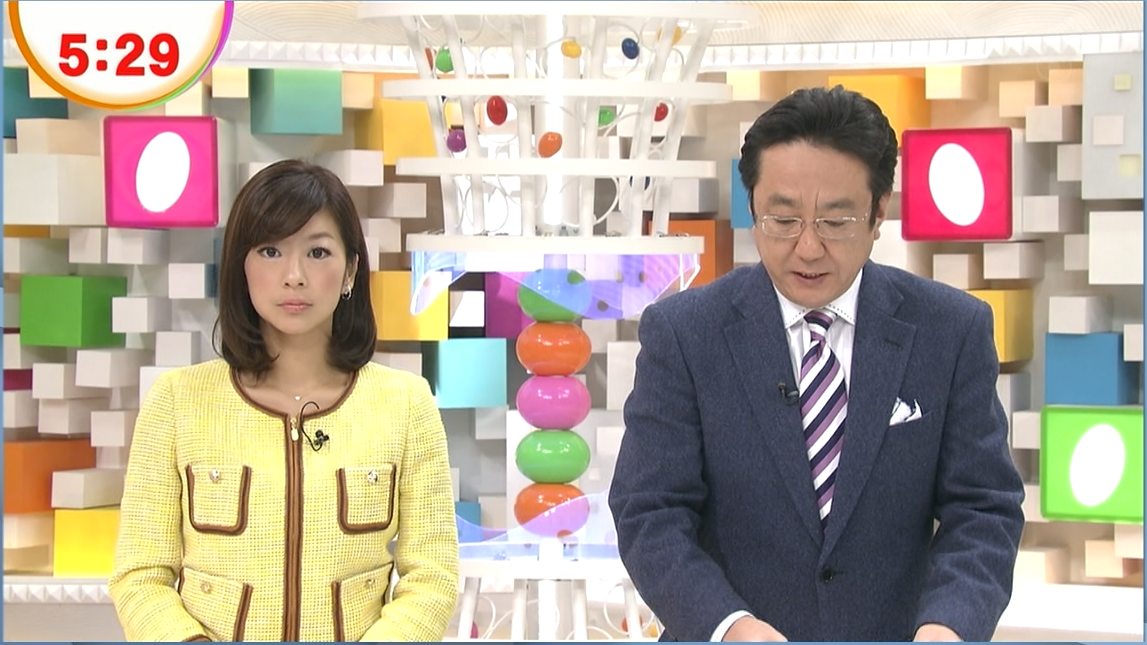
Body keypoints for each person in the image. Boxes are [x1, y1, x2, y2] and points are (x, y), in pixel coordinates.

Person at [608, 86, 1024, 642]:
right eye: (782, 220)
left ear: (879, 212)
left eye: (835, 221)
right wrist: (729, 627)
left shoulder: (951, 331)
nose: (807, 248)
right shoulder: (684, 334)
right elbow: (649, 512)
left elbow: (984, 510)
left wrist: (949, 627)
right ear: (752, 207)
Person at [108, 159, 459, 641]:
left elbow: (432, 578)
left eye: (318, 252)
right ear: (241, 267)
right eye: (271, 251)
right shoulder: (177, 402)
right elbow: (140, 576)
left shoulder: (406, 405)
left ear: (351, 270)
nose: (294, 276)